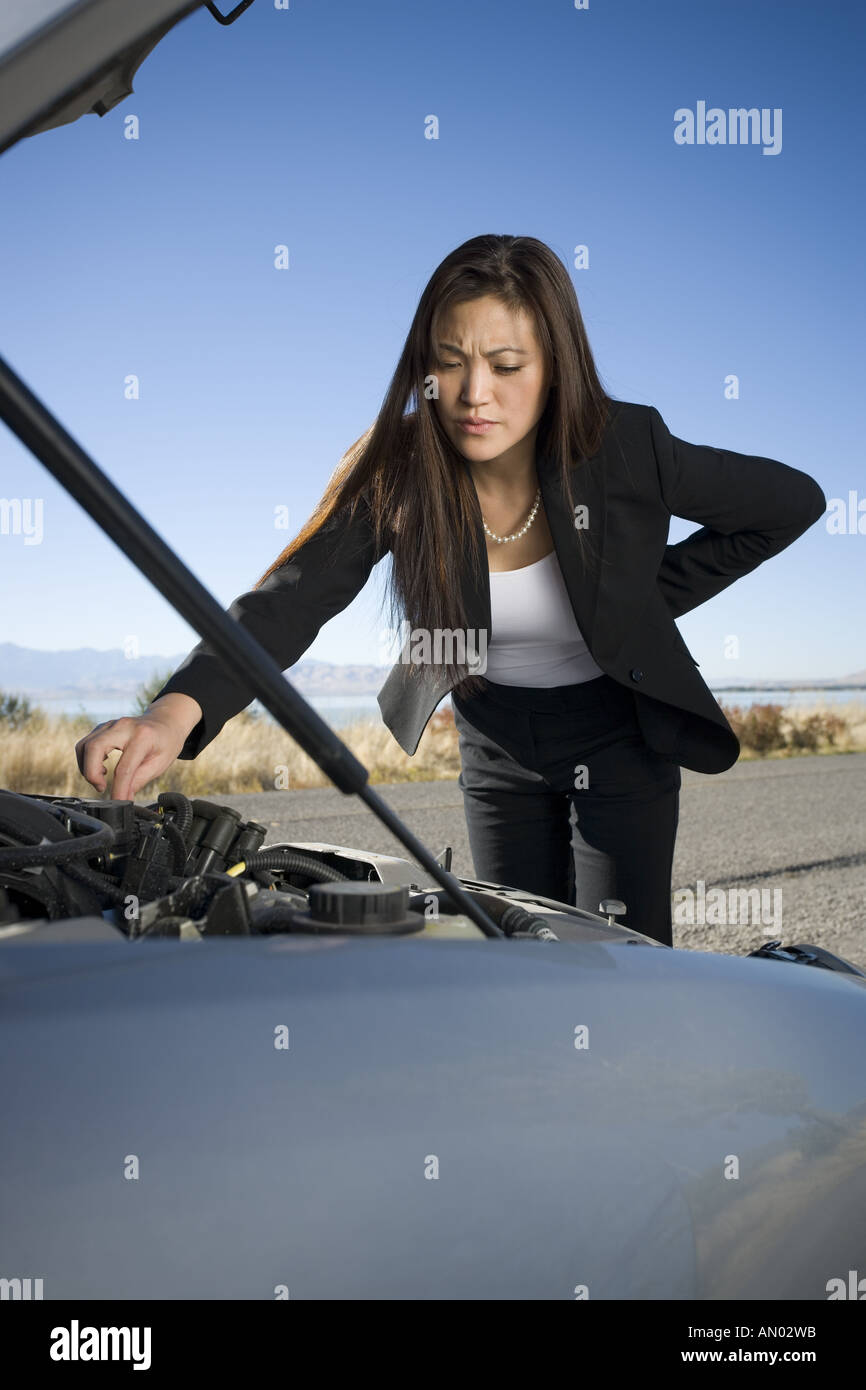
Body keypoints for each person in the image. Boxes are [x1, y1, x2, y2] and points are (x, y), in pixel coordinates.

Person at [75, 234, 826, 946]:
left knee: (620, 955)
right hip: (495, 736)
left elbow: (788, 504)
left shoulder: (626, 445)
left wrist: (631, 603)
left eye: (506, 364)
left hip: (618, 734)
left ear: (555, 366)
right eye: (450, 361)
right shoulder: (398, 465)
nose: (474, 394)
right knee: (518, 948)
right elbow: (292, 596)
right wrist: (174, 714)